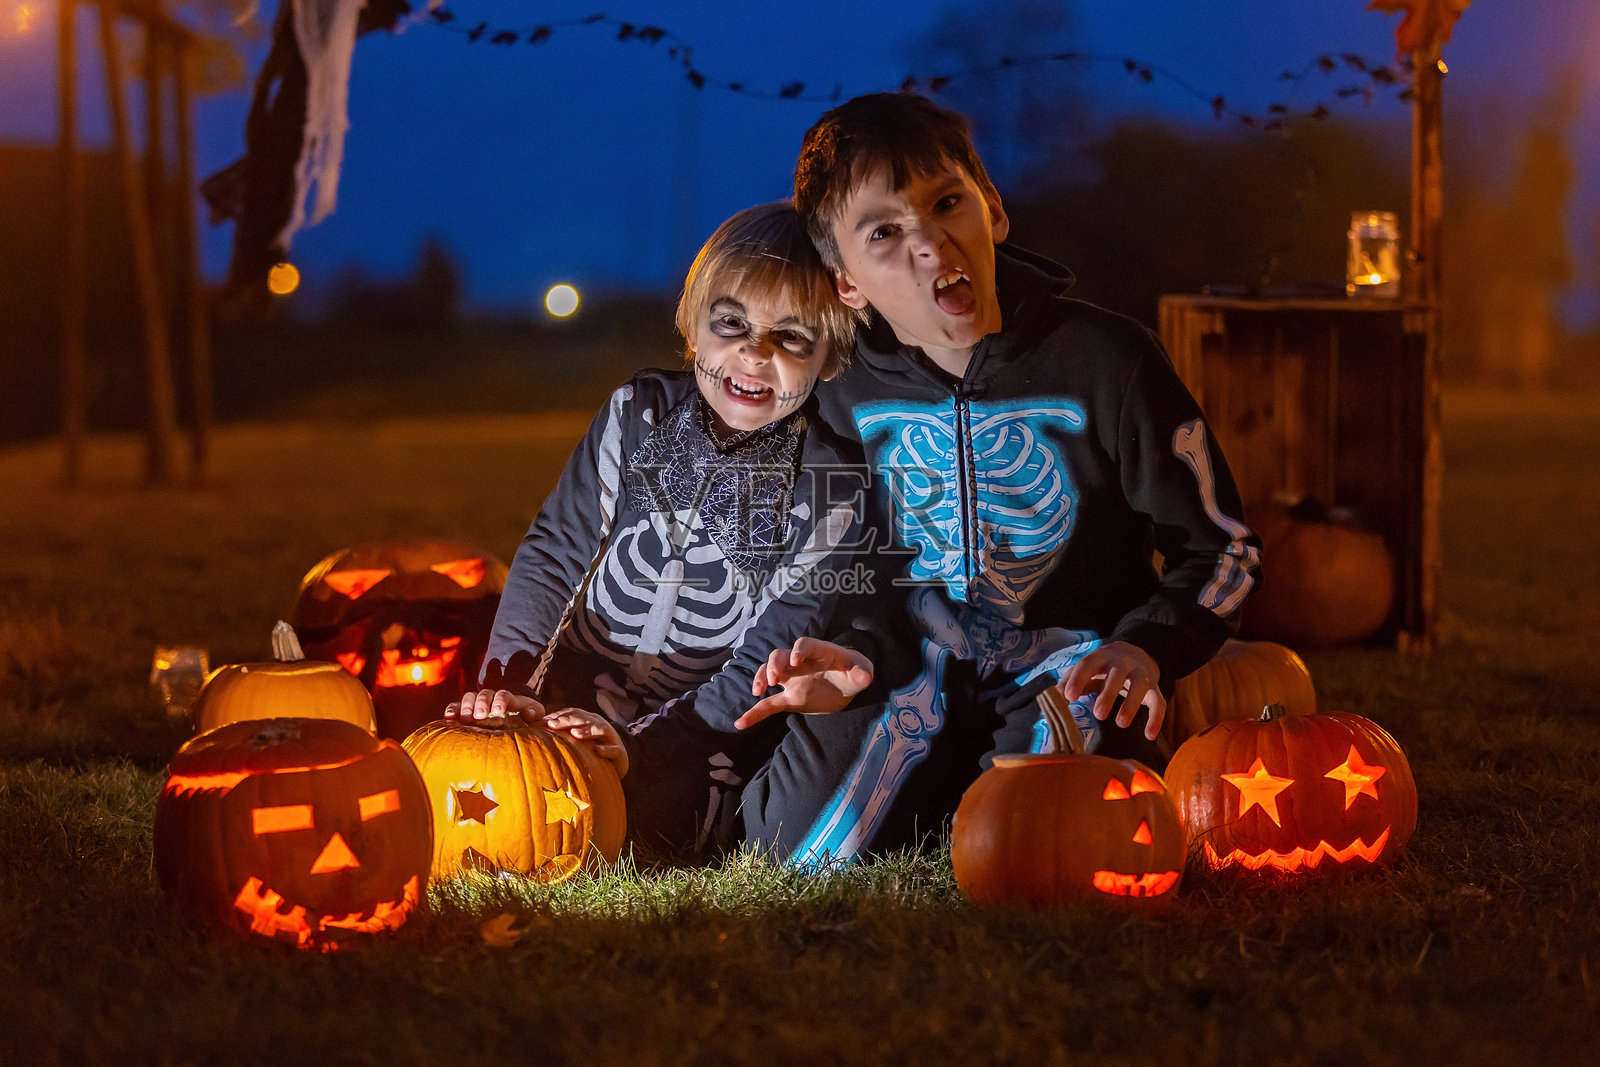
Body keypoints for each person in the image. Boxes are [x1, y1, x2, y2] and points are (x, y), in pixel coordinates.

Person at [729, 91, 1262, 864]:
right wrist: (848, 652)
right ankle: (927, 788)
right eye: (883, 233)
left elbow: (1223, 546)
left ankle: (976, 789)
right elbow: (846, 565)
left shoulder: (1108, 360)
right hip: (906, 669)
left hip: (1070, 663)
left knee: (1051, 846)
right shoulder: (838, 390)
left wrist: (1147, 646)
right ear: (845, 282)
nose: (928, 243)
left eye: (947, 203)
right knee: (793, 851)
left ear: (994, 211)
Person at [448, 201, 870, 859]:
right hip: (564, 695)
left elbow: (767, 651)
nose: (754, 354)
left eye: (790, 338)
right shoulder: (637, 413)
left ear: (831, 356)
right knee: (480, 771)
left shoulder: (830, 486)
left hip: (698, 730)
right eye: (732, 324)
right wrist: (510, 686)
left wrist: (640, 748)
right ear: (694, 327)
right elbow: (556, 551)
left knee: (672, 821)